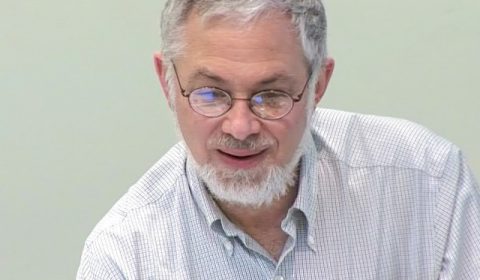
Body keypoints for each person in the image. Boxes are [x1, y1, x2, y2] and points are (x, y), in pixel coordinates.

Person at [77, 0, 480, 279]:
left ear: (318, 84)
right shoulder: (124, 259)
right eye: (210, 94)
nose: (240, 127)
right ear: (167, 81)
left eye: (271, 96)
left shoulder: (428, 185)